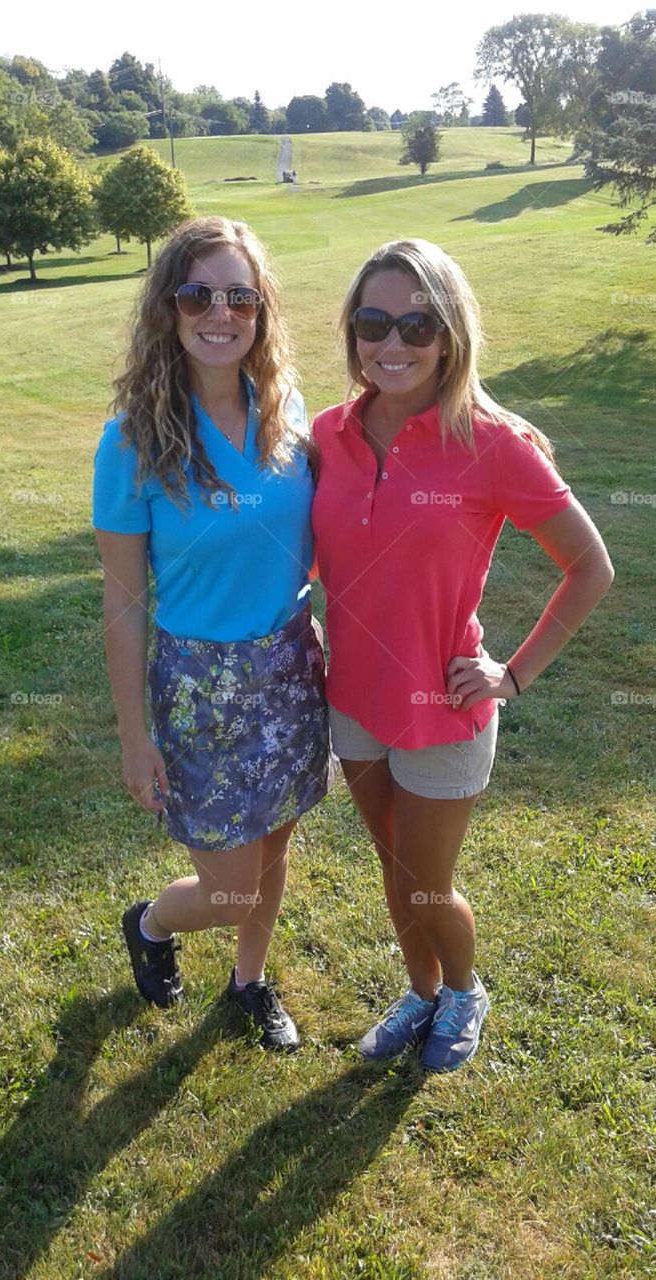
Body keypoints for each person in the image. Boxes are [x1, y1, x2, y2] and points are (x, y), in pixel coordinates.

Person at [311, 238, 614, 1071]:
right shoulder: (326, 434)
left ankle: (466, 989)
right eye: (374, 321)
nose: (393, 343)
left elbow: (590, 566)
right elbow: (312, 549)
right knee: (390, 862)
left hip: (442, 708)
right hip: (352, 698)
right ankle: (421, 991)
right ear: (352, 330)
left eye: (418, 323)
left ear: (449, 334)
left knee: (424, 881)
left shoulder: (492, 443)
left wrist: (512, 674)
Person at [92, 214, 333, 1053]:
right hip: (199, 687)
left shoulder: (287, 412)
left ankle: (249, 981)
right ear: (169, 308)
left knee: (271, 846)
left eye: (240, 295)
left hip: (291, 666)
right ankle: (154, 922)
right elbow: (123, 603)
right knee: (228, 888)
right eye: (198, 295)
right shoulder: (131, 443)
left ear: (261, 309)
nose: (219, 313)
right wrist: (133, 736)